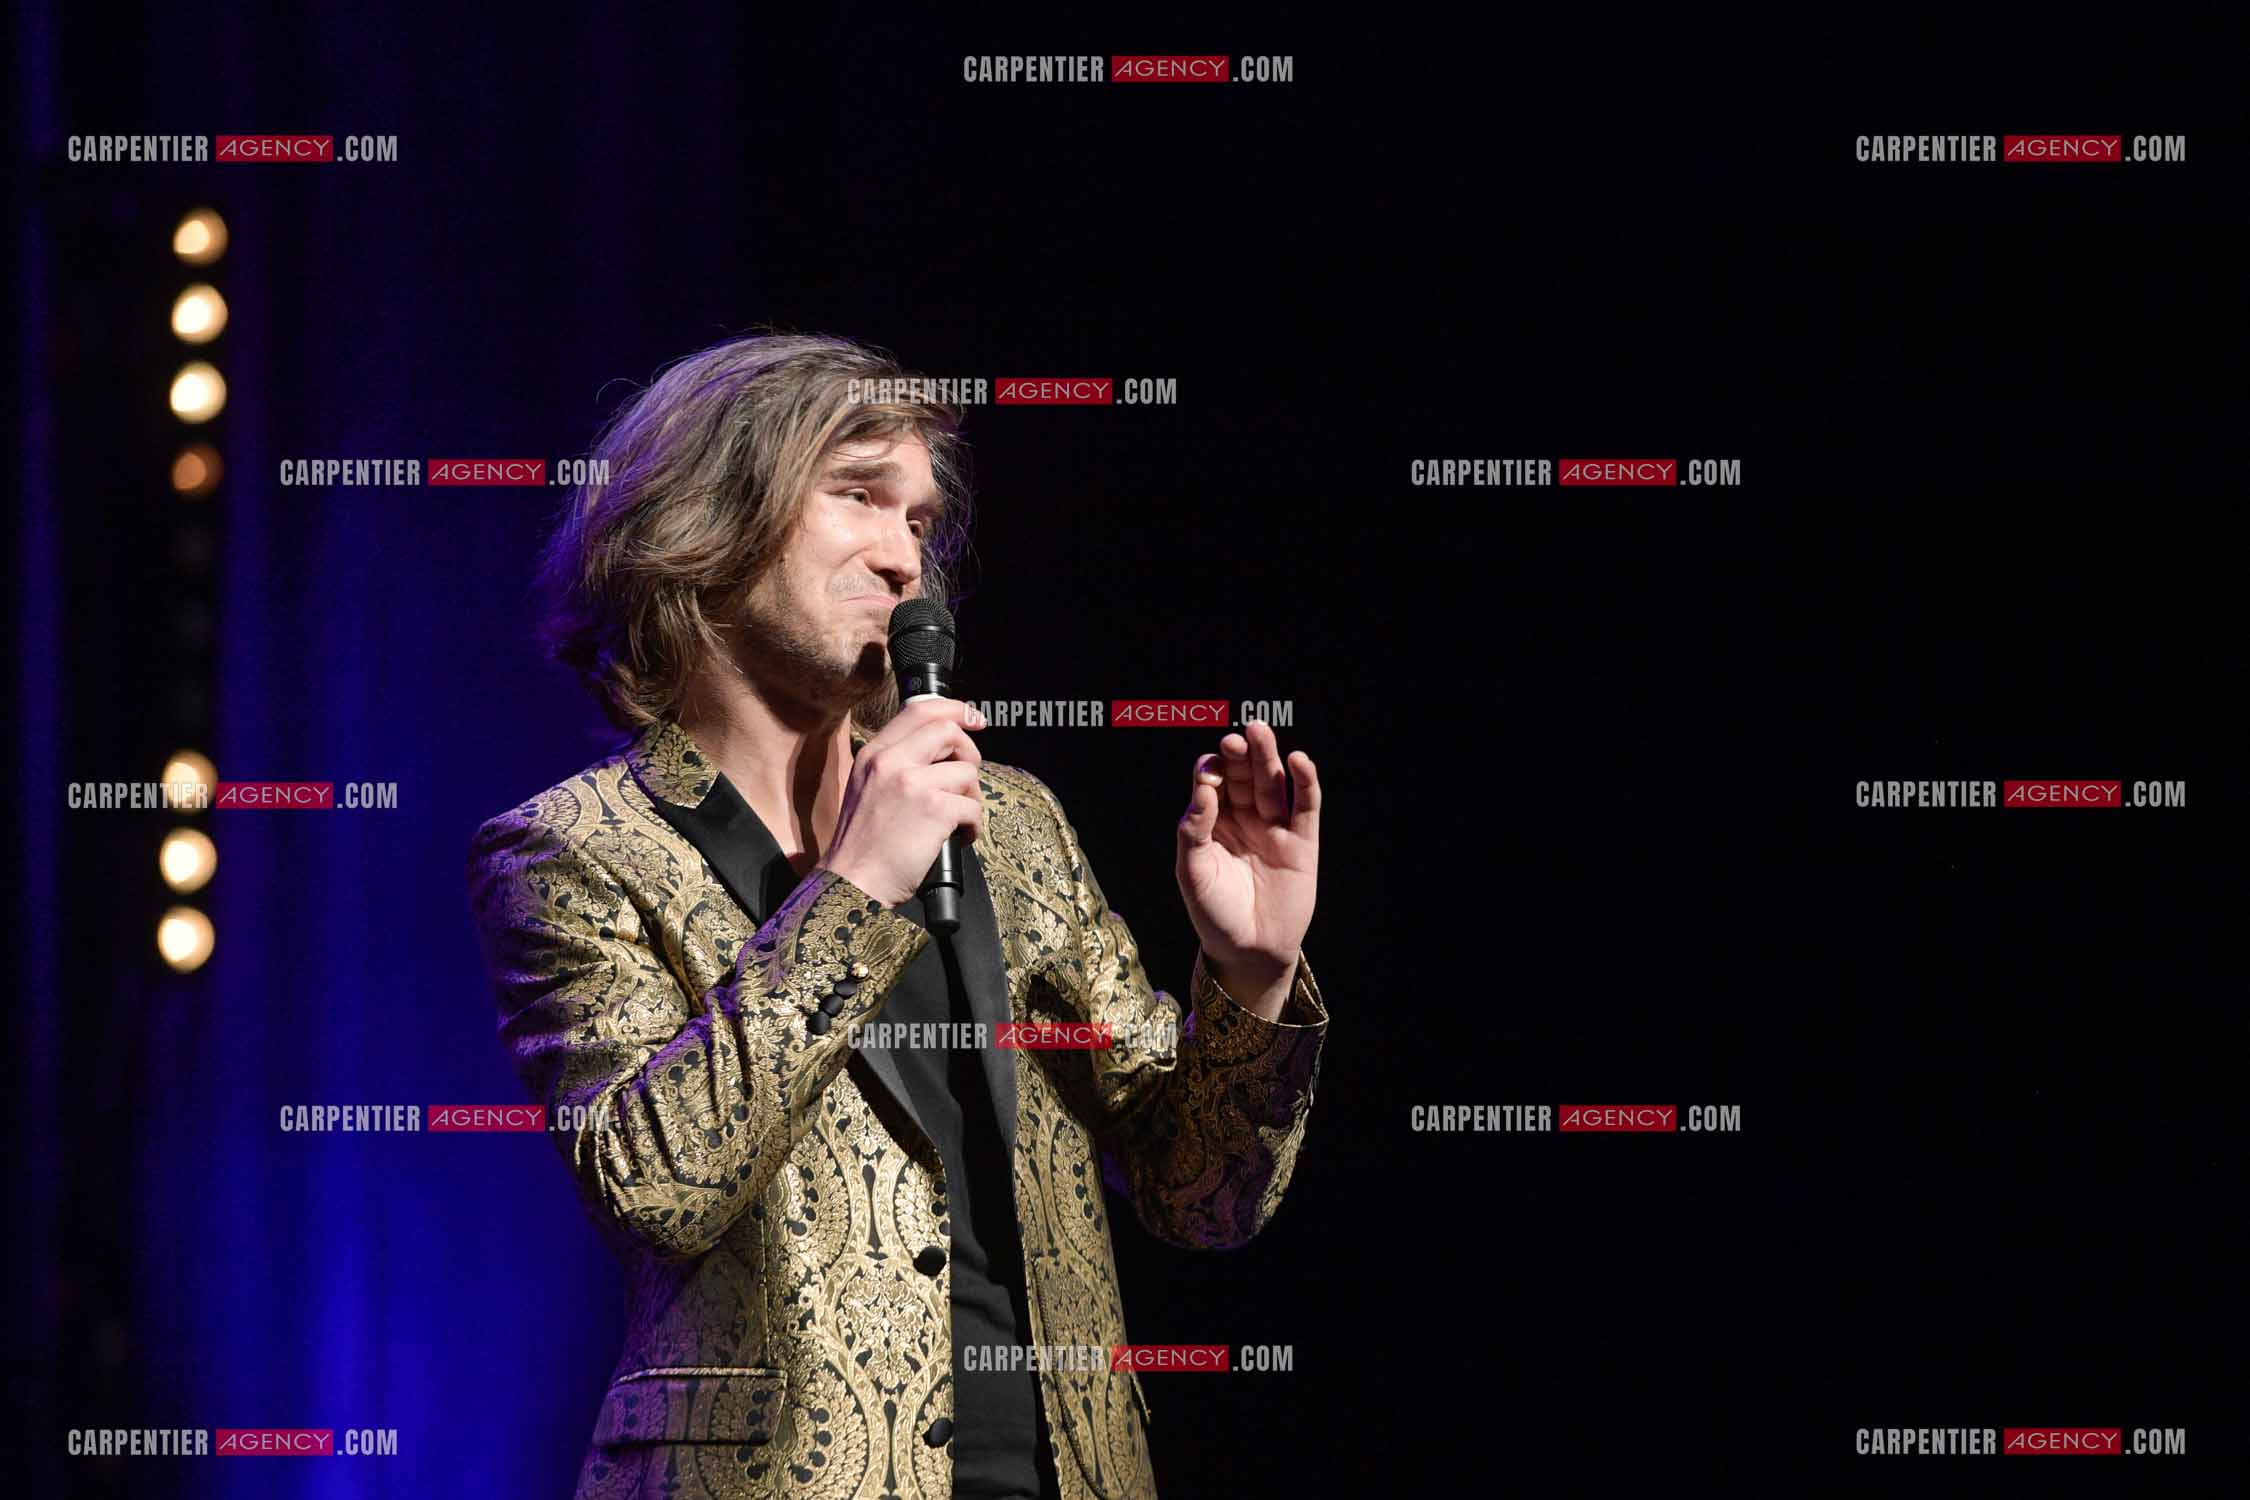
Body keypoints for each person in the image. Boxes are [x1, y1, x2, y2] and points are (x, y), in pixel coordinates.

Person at [466, 333, 1328, 1499]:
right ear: (705, 521)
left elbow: (1200, 1197)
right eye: (861, 498)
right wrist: (853, 888)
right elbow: (658, 1189)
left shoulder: (1008, 823)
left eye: (920, 522)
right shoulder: (578, 848)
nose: (902, 559)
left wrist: (1252, 977)